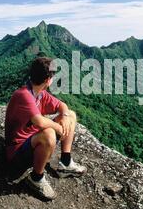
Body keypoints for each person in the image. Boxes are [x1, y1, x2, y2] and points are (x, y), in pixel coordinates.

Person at [5, 57, 86, 200]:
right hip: (16, 154)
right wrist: (58, 128)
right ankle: (36, 178)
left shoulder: (39, 93)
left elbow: (62, 105)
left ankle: (65, 163)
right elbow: (39, 122)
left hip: (31, 142)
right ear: (48, 79)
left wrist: (65, 115)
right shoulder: (23, 95)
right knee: (48, 133)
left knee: (71, 115)